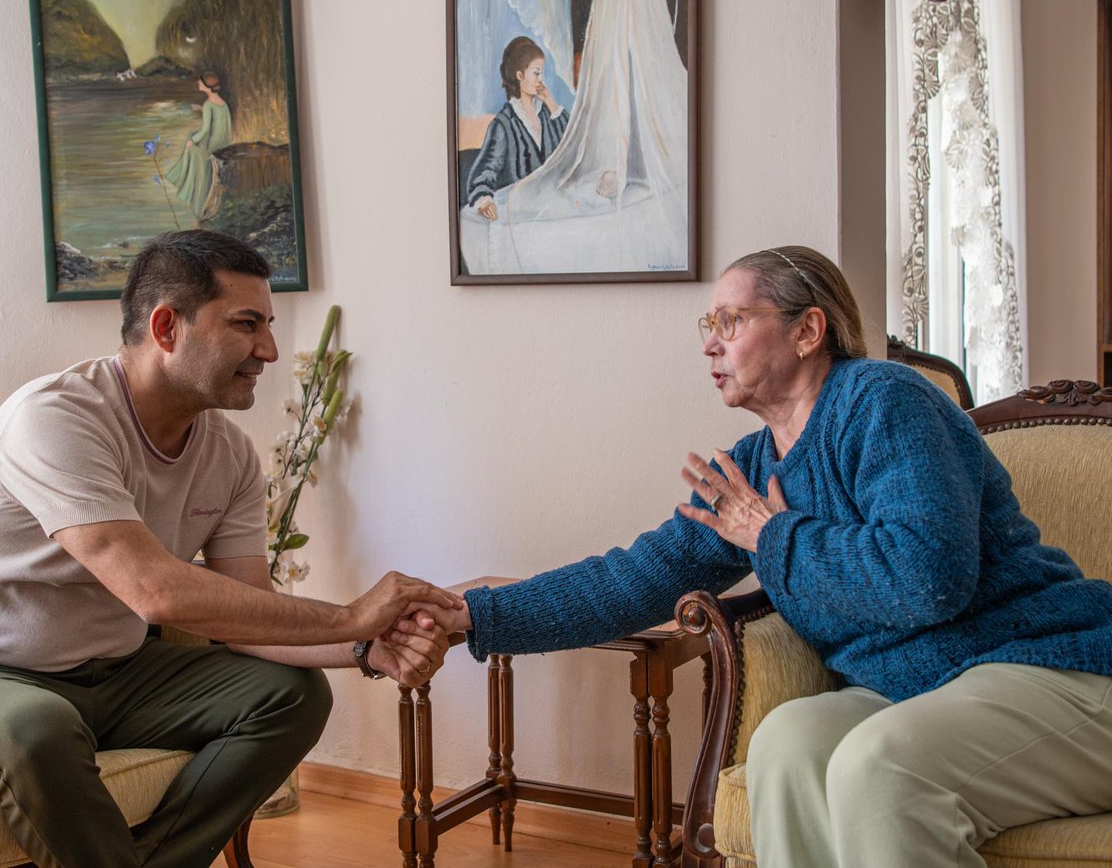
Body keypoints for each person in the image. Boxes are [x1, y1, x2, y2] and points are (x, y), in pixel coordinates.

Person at [430, 245, 1112, 867]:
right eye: (708, 327)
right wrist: (471, 615)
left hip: (1044, 664)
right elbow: (627, 582)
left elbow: (930, 580)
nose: (710, 346)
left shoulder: (885, 401)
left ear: (808, 331)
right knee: (785, 744)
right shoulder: (752, 472)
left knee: (879, 768)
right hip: (923, 689)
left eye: (730, 321)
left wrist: (774, 536)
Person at [0, 230, 461, 868]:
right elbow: (154, 590)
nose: (270, 350)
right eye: (247, 324)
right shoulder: (56, 419)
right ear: (167, 326)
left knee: (293, 695)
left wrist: (369, 646)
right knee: (36, 729)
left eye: (269, 325)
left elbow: (249, 611)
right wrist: (349, 616)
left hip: (113, 676)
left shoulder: (228, 454)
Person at [465, 36, 569, 221]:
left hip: (551, 208)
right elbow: (485, 169)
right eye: (536, 73)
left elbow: (571, 143)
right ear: (520, 76)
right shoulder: (504, 124)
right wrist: (484, 200)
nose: (541, 80)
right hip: (520, 214)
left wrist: (551, 102)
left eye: (542, 73)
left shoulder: (546, 114)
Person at [165, 71, 233, 219]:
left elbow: (206, 129)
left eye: (201, 82)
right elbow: (221, 119)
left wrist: (193, 141)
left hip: (212, 146)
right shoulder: (222, 103)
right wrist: (202, 110)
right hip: (223, 143)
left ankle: (186, 185)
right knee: (191, 137)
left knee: (191, 145)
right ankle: (181, 178)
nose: (198, 83)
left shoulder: (209, 104)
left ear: (207, 87)